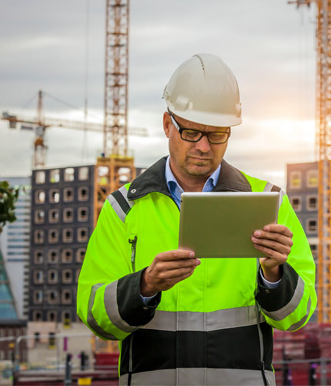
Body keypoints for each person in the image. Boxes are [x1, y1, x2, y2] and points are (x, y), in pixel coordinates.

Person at [77, 54, 316, 385]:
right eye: (191, 133)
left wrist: (274, 273)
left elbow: (296, 316)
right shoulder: (123, 209)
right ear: (167, 124)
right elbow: (95, 316)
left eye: (216, 135)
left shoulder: (269, 202)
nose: (204, 147)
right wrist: (145, 285)